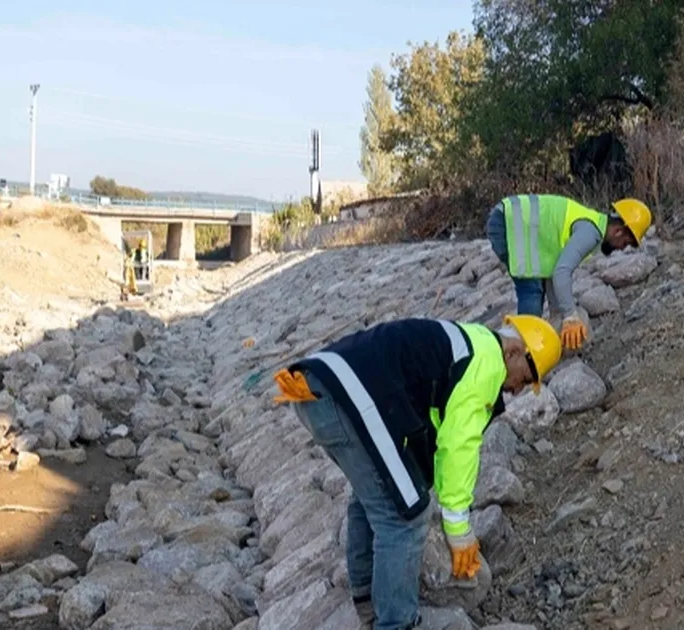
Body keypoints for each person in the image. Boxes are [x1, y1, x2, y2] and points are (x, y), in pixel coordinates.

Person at [271, 315, 563, 630]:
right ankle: (396, 623)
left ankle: (369, 604)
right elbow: (458, 444)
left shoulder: (472, 342)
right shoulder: (487, 366)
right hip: (348, 396)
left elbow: (434, 423)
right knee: (404, 515)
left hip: (320, 388)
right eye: (527, 376)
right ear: (514, 352)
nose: (519, 389)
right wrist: (458, 527)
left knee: (378, 498)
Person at [485, 194, 653, 350]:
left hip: (510, 218)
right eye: (625, 243)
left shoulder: (590, 224)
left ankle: (521, 351)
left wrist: (557, 311)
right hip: (508, 222)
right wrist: (570, 316)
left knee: (534, 288)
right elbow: (561, 272)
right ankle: (518, 354)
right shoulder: (590, 233)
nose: (621, 248)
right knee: (532, 290)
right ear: (619, 231)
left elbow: (552, 269)